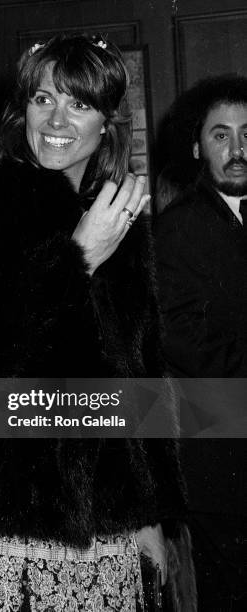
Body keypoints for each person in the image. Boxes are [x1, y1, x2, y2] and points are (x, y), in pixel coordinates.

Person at [0, 35, 195, 611]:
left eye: (79, 104)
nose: (57, 119)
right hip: (11, 532)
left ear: (108, 124)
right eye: (43, 99)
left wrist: (151, 515)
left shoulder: (120, 219)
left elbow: (139, 374)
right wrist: (75, 260)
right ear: (22, 111)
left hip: (111, 535)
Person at [154, 76, 247, 609]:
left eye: (246, 134)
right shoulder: (181, 227)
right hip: (224, 467)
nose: (237, 151)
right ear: (197, 147)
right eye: (220, 135)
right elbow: (180, 338)